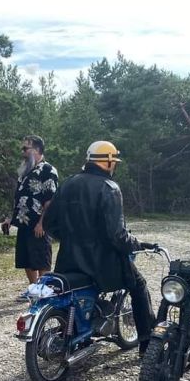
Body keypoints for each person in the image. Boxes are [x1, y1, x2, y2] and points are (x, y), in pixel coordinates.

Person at [44, 140, 155, 353]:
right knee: (139, 285)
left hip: (69, 260)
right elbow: (117, 235)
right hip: (102, 264)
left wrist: (70, 238)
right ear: (109, 162)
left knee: (73, 295)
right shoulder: (109, 188)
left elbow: (50, 223)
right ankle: (147, 343)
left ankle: (79, 333)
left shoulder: (68, 183)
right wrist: (135, 244)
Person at [1, 135, 59, 298]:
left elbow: (50, 200)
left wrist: (42, 223)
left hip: (38, 223)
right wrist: (11, 219)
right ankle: (33, 289)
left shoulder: (48, 170)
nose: (23, 152)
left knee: (41, 258)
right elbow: (20, 197)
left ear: (37, 150)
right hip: (23, 223)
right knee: (26, 258)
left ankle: (43, 289)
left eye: (26, 149)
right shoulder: (25, 171)